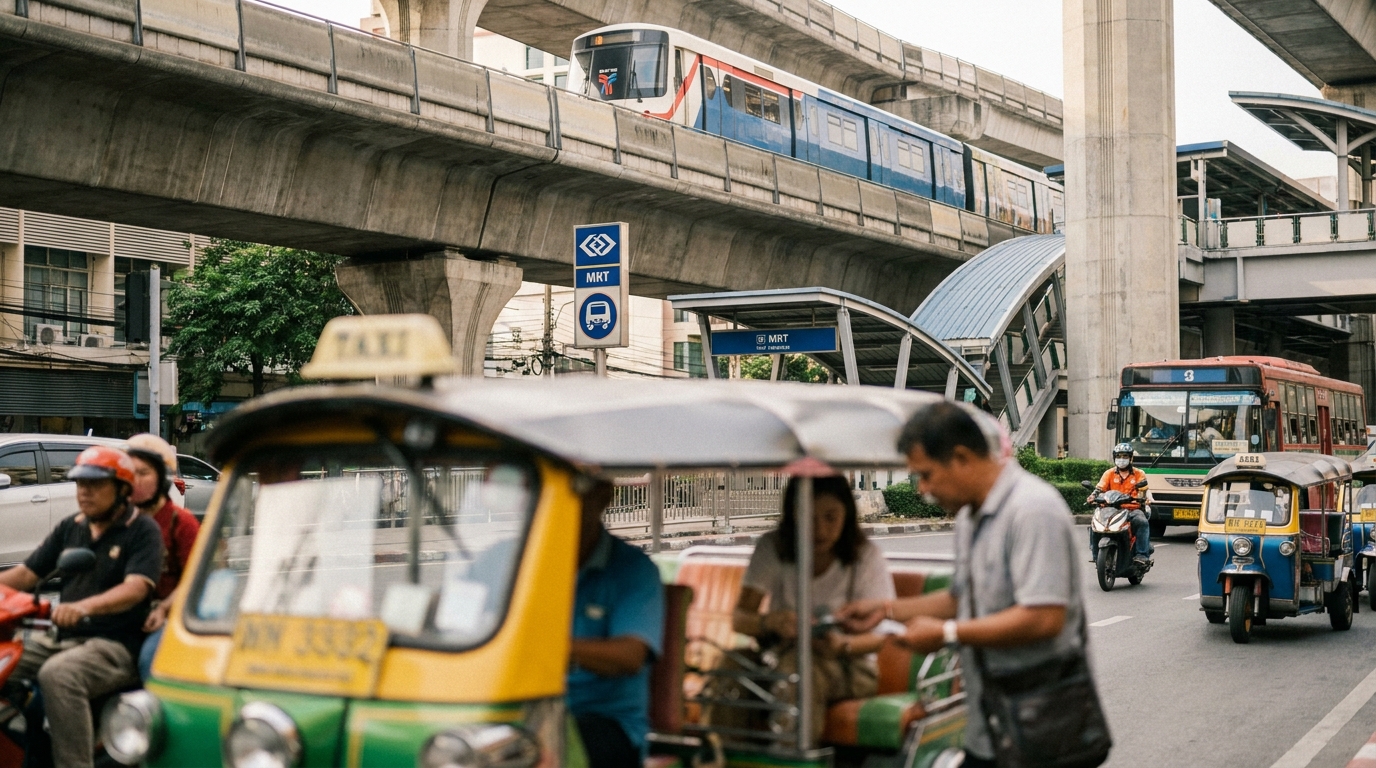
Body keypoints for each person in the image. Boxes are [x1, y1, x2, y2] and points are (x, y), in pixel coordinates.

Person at [838, 402, 1095, 768]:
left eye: (925, 475)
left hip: (1042, 728)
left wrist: (945, 634)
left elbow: (1043, 618)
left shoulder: (1033, 509)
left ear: (960, 457)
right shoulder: (968, 519)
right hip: (987, 725)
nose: (922, 490)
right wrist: (885, 610)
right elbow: (962, 597)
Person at [0, 446, 162, 768]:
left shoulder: (142, 531)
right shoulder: (71, 527)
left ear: (122, 489)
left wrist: (84, 607)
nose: (84, 492)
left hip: (114, 643)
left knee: (58, 675)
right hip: (59, 637)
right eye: (79, 484)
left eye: (95, 484)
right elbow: (27, 574)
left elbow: (135, 588)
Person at [712, 474, 894, 741]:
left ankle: (790, 757)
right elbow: (740, 618)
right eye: (808, 517)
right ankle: (720, 755)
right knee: (730, 664)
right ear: (792, 515)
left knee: (798, 669)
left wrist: (841, 644)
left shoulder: (865, 557)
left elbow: (881, 637)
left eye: (830, 517)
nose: (819, 530)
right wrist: (771, 622)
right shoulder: (773, 547)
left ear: (847, 513)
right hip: (776, 656)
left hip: (848, 665)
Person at [567, 479, 665, 768]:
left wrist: (550, 646)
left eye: (571, 491)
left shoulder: (633, 570)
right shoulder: (506, 558)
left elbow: (630, 656)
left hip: (604, 721)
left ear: (602, 496)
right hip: (515, 706)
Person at [124, 434, 200, 681]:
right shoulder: (118, 521)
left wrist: (165, 608)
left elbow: (197, 581)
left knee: (150, 660)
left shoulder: (182, 522)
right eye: (129, 472)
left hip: (173, 615)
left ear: (162, 477)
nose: (134, 481)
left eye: (143, 473)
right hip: (126, 615)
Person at [1088, 444, 1153, 565]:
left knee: (1142, 522)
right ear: (1114, 458)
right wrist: (1093, 496)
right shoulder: (1109, 473)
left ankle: (1142, 554)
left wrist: (1143, 498)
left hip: (1131, 509)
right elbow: (1100, 488)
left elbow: (1143, 490)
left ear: (1130, 458)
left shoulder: (1139, 474)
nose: (1121, 459)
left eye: (1125, 456)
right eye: (1118, 456)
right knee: (1094, 523)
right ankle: (1095, 553)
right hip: (1110, 509)